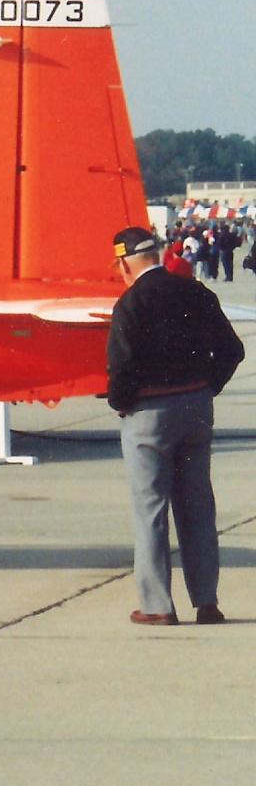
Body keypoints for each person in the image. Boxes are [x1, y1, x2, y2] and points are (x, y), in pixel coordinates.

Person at [107, 227, 245, 625]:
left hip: (149, 416)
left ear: (124, 263)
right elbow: (233, 350)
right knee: (198, 506)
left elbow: (121, 367)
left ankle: (158, 606)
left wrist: (122, 404)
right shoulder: (197, 292)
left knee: (151, 509)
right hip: (197, 407)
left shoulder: (131, 303)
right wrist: (206, 388)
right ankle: (206, 602)